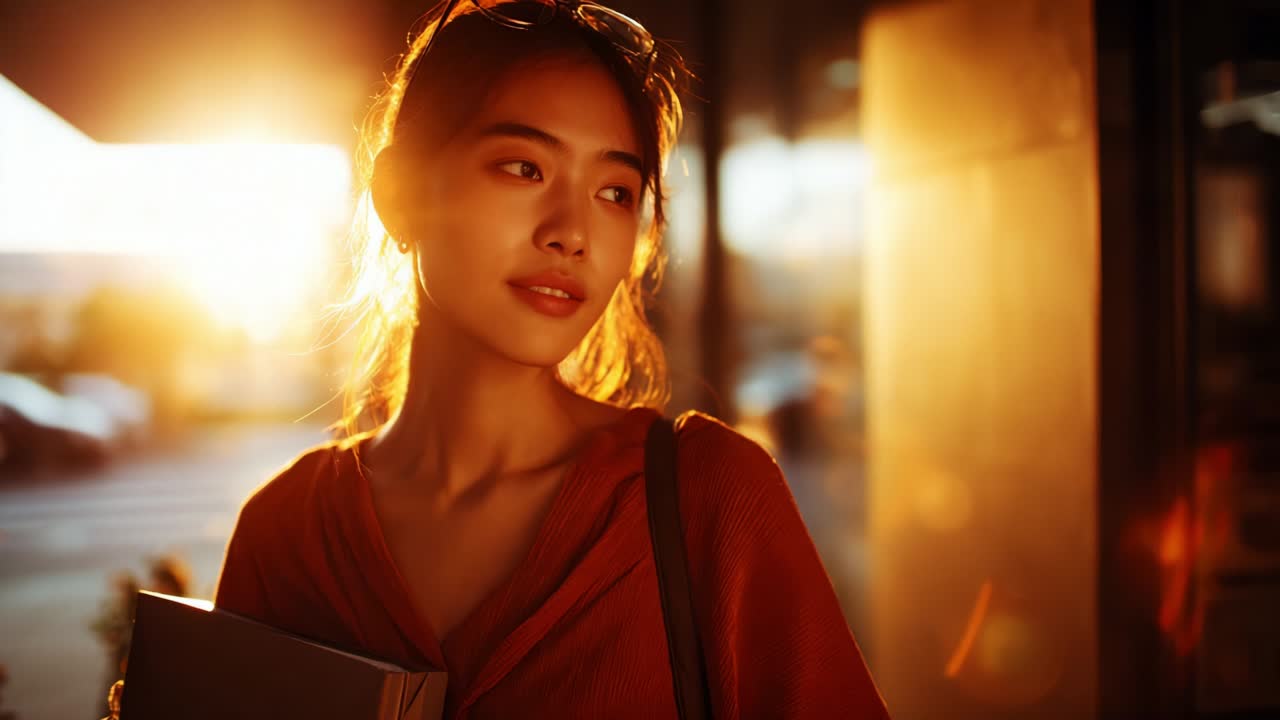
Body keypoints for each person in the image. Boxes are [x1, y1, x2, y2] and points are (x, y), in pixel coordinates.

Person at [214, 1, 890, 717]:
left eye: (614, 192)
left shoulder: (707, 498)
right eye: (523, 167)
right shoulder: (283, 531)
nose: (573, 232)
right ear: (400, 193)